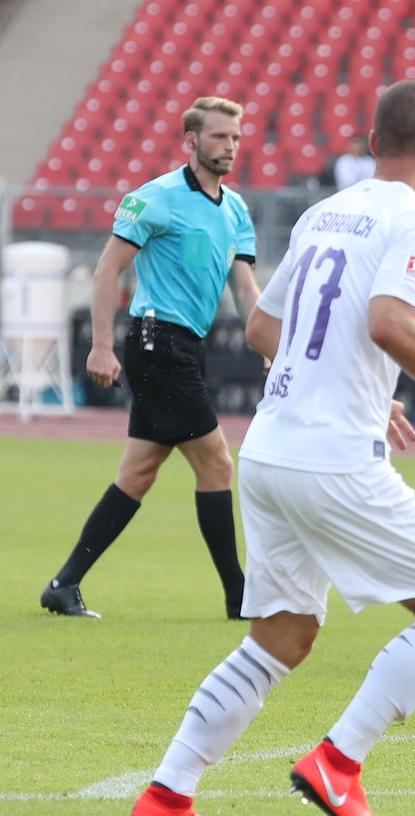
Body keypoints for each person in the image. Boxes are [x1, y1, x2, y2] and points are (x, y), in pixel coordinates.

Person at [129, 80, 415, 816]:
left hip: (269, 452)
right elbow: (388, 322)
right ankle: (338, 762)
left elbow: (261, 329)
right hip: (333, 461)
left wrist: (363, 392)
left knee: (280, 637)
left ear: (373, 143)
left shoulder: (324, 212)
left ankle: (167, 793)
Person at [40, 97, 260, 620]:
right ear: (191, 141)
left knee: (139, 473)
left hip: (187, 346)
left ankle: (63, 583)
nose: (228, 146)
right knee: (217, 462)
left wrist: (272, 348)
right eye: (218, 137)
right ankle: (240, 596)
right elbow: (106, 271)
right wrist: (99, 344)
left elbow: (246, 290)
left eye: (234, 137)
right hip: (155, 341)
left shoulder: (235, 210)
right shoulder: (154, 198)